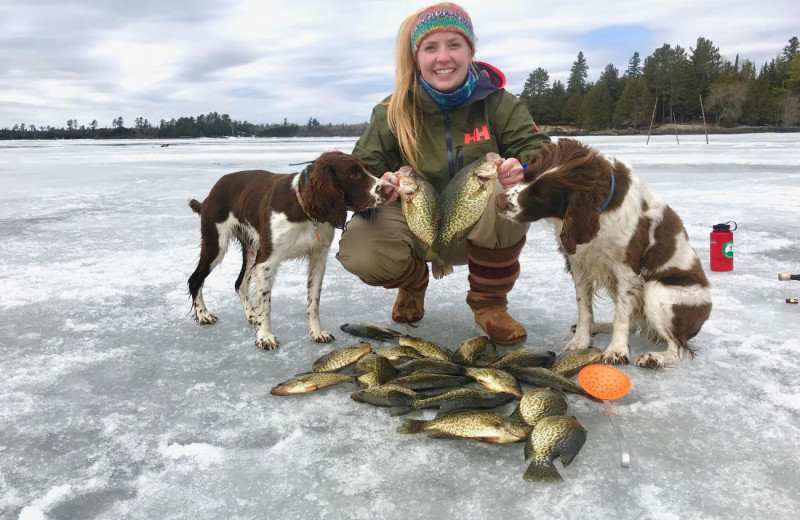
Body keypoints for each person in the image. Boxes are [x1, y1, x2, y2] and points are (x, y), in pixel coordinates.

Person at [336, 2, 550, 346]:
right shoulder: (392, 111)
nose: (443, 57)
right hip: (417, 227)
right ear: (417, 56)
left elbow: (540, 151)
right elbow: (360, 170)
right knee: (360, 249)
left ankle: (490, 305)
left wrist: (522, 170)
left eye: (455, 44)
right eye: (430, 47)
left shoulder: (499, 103)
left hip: (477, 231)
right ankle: (414, 281)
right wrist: (383, 183)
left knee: (498, 185)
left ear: (471, 50)